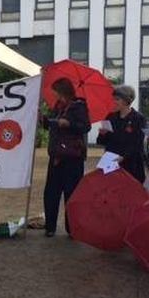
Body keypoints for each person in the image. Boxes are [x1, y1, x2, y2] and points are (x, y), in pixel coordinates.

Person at [41, 78, 91, 238]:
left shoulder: (79, 106)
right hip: (56, 155)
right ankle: (50, 227)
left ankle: (72, 228)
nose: (55, 95)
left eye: (57, 92)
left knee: (72, 193)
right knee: (51, 192)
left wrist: (68, 124)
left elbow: (85, 127)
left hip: (72, 157)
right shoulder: (58, 106)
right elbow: (52, 124)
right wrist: (43, 120)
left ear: (64, 91)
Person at [96, 85, 146, 183]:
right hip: (110, 162)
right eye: (114, 99)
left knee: (129, 194)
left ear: (127, 100)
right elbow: (101, 142)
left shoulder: (138, 118)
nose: (114, 102)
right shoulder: (110, 117)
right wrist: (102, 134)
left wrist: (124, 157)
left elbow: (138, 143)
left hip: (130, 164)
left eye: (117, 99)